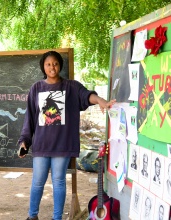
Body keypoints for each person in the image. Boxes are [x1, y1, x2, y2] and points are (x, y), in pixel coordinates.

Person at [18, 51, 116, 220]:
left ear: (60, 66)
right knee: (38, 182)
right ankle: (32, 216)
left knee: (59, 182)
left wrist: (100, 101)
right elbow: (30, 118)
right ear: (43, 66)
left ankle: (57, 218)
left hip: (62, 145)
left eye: (55, 64)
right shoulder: (36, 88)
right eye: (48, 64)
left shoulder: (71, 87)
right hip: (42, 145)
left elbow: (86, 96)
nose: (52, 67)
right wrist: (24, 141)